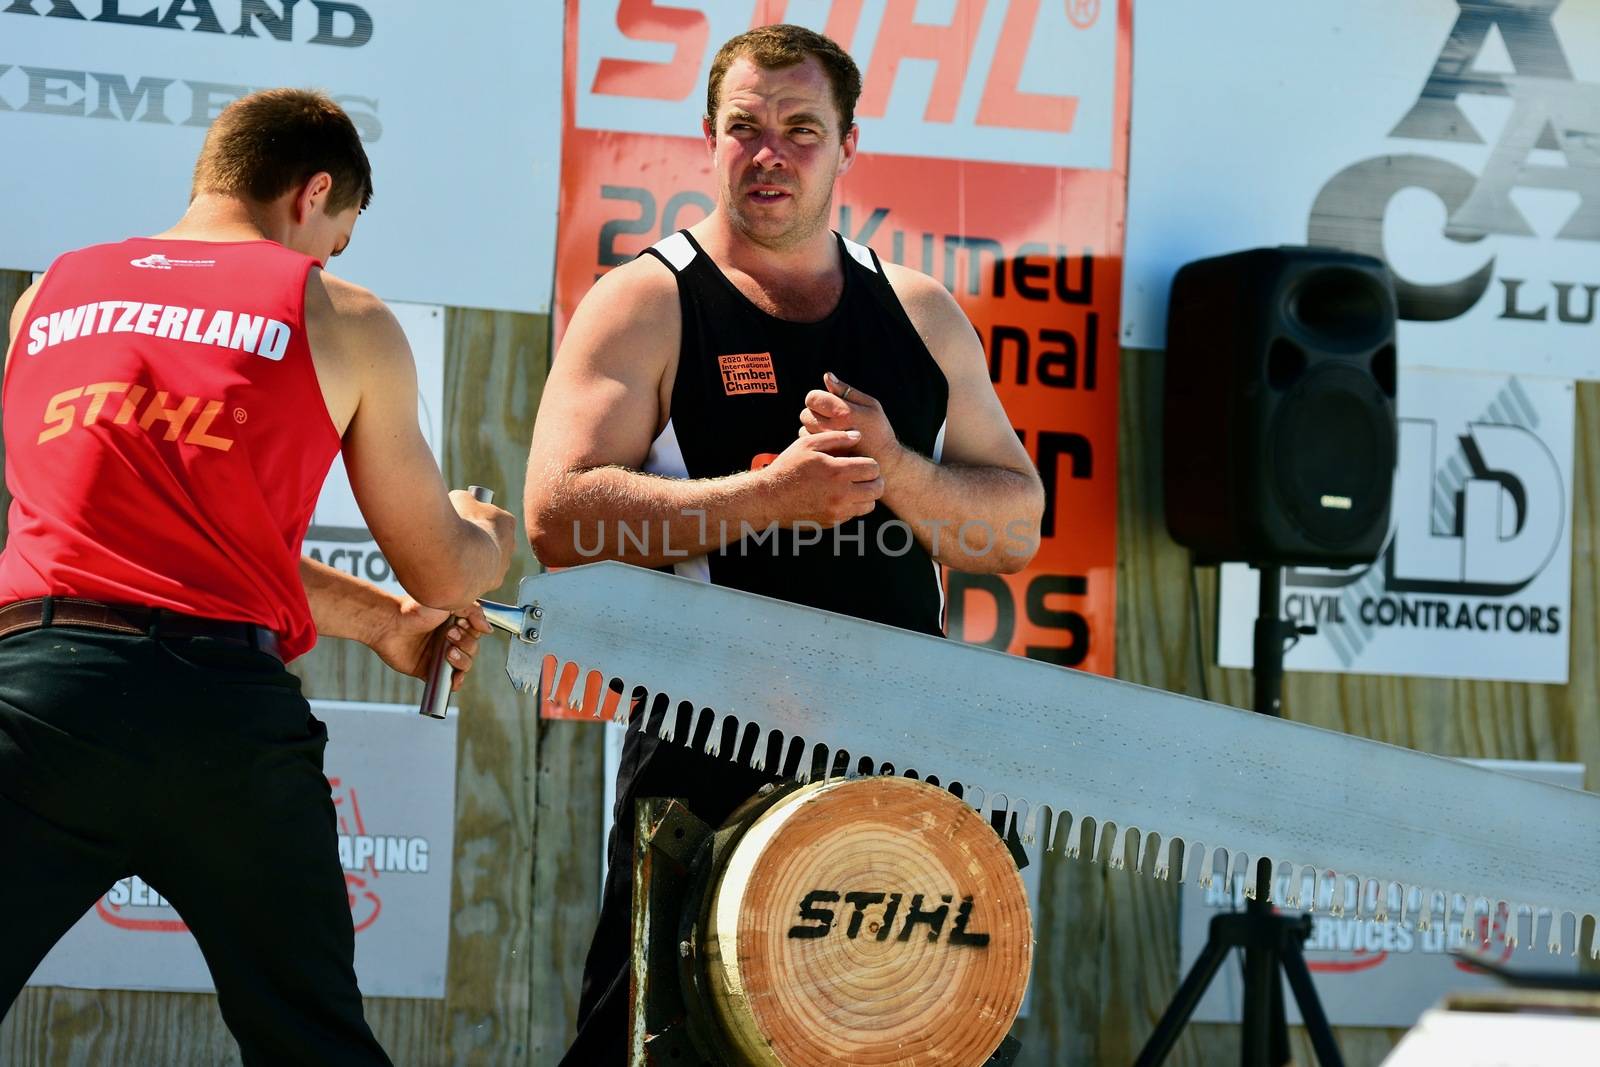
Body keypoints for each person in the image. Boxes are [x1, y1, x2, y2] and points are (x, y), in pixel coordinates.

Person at [523, 24, 1045, 1063]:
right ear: (707, 142)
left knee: (880, 1039)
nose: (770, 154)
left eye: (800, 129)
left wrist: (898, 472)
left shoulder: (921, 312)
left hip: (896, 745)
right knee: (654, 1036)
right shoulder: (648, 299)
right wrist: (767, 498)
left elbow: (1015, 524)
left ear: (849, 143)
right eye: (744, 128)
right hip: (708, 741)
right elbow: (559, 517)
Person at [0, 89, 517, 1065]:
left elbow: (170, 550)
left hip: (39, 696)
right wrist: (487, 534)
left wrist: (384, 624)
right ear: (313, 191)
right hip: (221, 724)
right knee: (312, 1044)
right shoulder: (337, 313)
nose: (323, 262)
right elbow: (441, 566)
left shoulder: (47, 297)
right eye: (336, 237)